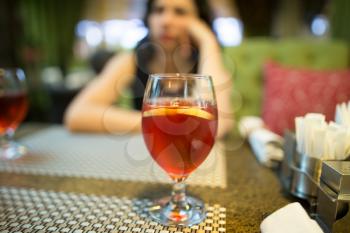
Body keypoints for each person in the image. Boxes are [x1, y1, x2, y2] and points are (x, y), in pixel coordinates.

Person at [64, 0, 234, 138]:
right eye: (158, 10)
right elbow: (76, 115)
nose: (165, 21)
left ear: (199, 23)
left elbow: (218, 125)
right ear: (148, 18)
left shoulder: (208, 63)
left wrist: (207, 40)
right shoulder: (131, 60)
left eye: (180, 12)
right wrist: (165, 125)